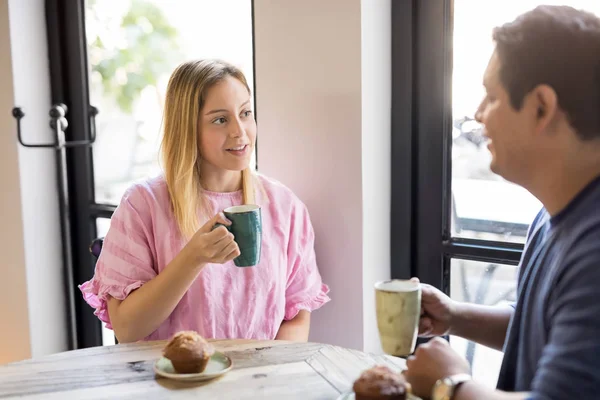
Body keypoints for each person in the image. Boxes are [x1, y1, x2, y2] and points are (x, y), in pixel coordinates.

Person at [404, 5, 600, 400]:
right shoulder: (552, 214)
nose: (478, 115)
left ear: (541, 107)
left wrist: (450, 387)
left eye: (491, 96)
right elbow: (543, 327)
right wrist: (454, 316)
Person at [80, 59, 330, 343]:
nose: (240, 131)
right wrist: (192, 258)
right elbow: (127, 329)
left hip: (259, 382)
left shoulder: (285, 207)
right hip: (169, 382)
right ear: (188, 129)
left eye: (246, 113)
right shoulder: (143, 205)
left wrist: (268, 377)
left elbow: (295, 316)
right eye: (220, 119)